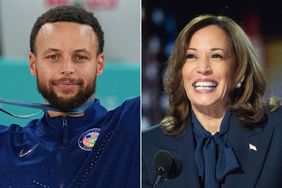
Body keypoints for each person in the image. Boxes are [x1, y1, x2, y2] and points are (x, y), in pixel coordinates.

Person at [0, 5, 140, 188]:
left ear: (99, 64)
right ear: (33, 65)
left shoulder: (125, 130)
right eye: (53, 57)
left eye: (80, 57)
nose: (67, 68)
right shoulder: (7, 147)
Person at [142, 14, 282, 188]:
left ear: (240, 70)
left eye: (216, 56)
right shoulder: (147, 146)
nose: (203, 68)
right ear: (180, 71)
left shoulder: (277, 128)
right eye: (191, 56)